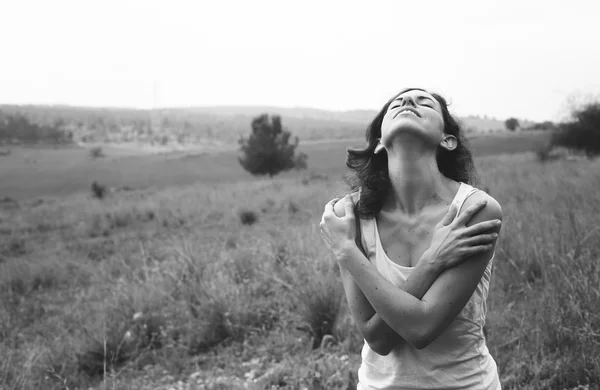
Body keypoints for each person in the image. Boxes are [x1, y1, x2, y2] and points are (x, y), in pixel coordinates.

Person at [319, 88, 503, 389]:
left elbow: (421, 328)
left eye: (424, 103)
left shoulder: (474, 210)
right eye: (398, 103)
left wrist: (346, 250)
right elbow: (377, 338)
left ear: (447, 139)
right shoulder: (349, 214)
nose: (407, 102)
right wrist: (433, 261)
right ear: (379, 142)